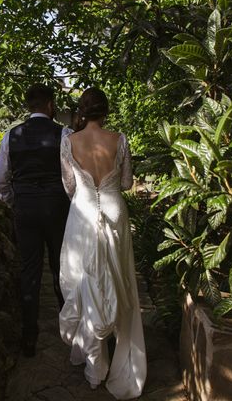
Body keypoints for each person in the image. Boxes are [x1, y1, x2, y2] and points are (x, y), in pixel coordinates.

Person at [58, 87, 146, 399]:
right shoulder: (119, 139)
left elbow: (69, 185)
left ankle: (96, 366)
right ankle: (120, 350)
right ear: (105, 111)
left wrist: (86, 194)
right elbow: (126, 182)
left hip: (81, 213)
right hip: (114, 209)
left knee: (86, 280)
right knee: (119, 277)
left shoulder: (69, 141)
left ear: (81, 111)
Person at [0, 84, 72, 357]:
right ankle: (69, 329)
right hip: (56, 207)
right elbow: (70, 177)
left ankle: (29, 335)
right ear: (50, 104)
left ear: (29, 106)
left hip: (25, 208)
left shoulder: (11, 136)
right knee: (62, 267)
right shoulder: (64, 134)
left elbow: (0, 181)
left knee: (29, 271)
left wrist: (15, 201)